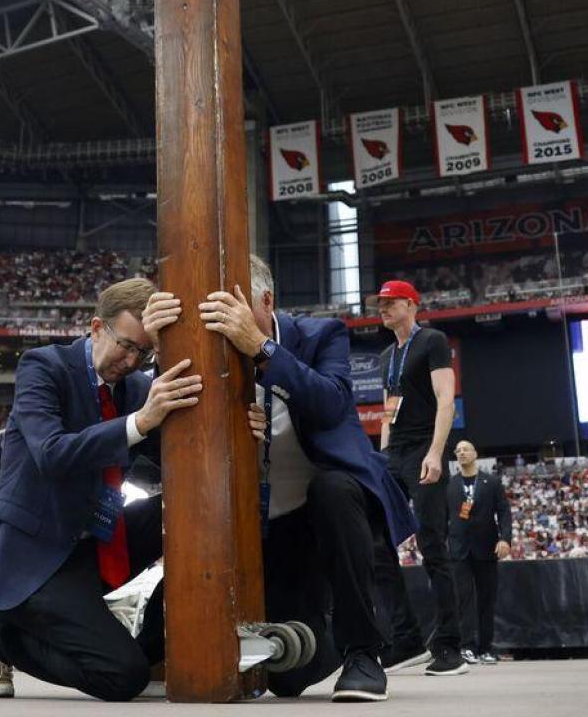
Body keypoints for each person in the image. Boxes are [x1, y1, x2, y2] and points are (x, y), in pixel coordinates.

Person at [0, 277, 260, 701]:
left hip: (93, 543)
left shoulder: (138, 389)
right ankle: (1, 634)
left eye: (144, 352)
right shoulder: (43, 366)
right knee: (123, 679)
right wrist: (140, 422)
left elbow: (171, 459)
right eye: (127, 345)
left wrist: (246, 429)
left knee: (185, 508)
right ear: (97, 328)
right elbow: (52, 454)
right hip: (35, 558)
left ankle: (161, 647)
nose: (133, 360)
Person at [141, 255, 417, 702]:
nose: (222, 322)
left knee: (333, 488)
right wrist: (162, 355)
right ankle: (326, 632)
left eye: (232, 308)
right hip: (264, 529)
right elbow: (162, 459)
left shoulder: (320, 335)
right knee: (288, 678)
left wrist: (261, 348)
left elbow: (331, 404)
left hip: (324, 513)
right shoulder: (203, 351)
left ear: (266, 301)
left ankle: (364, 650)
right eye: (211, 311)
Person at [367, 279, 469, 677]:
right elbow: (389, 410)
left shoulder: (433, 341)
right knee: (376, 537)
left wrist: (435, 452)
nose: (383, 309)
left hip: (427, 446)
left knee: (432, 542)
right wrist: (382, 454)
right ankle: (406, 638)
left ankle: (450, 646)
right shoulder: (385, 357)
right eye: (380, 304)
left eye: (391, 303)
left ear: (412, 304)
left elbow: (446, 399)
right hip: (395, 453)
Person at [445, 441, 510, 665]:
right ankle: (467, 647)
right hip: (458, 550)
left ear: (475, 454)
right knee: (464, 600)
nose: (461, 452)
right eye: (458, 450)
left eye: (466, 449)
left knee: (486, 600)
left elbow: (504, 512)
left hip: (486, 547)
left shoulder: (490, 482)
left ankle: (486, 648)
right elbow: (443, 517)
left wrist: (505, 539)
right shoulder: (450, 485)